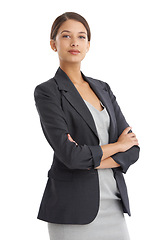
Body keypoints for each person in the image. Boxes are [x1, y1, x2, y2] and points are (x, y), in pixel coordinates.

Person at [34, 12, 140, 240]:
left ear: (88, 45)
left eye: (81, 37)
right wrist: (117, 146)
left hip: (113, 204)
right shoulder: (47, 92)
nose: (74, 42)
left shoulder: (103, 89)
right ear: (53, 44)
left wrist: (90, 159)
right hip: (72, 210)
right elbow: (70, 156)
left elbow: (132, 150)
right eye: (66, 36)